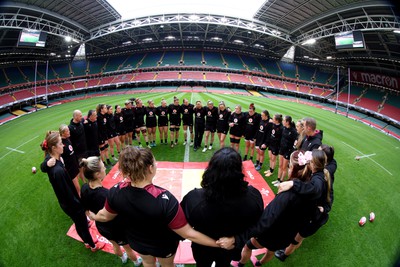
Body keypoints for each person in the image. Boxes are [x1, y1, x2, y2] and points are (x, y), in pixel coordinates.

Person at [88, 146, 221, 267]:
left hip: (137, 241)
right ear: (150, 168)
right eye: (154, 162)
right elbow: (188, 233)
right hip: (162, 245)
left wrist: (93, 216)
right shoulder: (165, 200)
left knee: (147, 262)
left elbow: (104, 216)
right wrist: (218, 244)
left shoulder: (115, 191)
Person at [217, 150, 313, 266]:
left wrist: (238, 238)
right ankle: (259, 264)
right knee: (271, 251)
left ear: (292, 167)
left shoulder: (287, 195)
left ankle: (241, 263)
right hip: (287, 235)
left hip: (272, 232)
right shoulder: (312, 190)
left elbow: (267, 219)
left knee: (248, 246)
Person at [181, 147, 264, 267]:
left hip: (204, 248)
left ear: (211, 169)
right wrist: (236, 239)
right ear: (239, 171)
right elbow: (259, 226)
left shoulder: (195, 199)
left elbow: (181, 227)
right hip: (229, 248)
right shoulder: (253, 197)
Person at [40, 131, 102, 252]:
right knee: (81, 224)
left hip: (67, 203)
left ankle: (86, 240)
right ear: (53, 148)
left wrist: (46, 165)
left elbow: (43, 166)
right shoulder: (57, 171)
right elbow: (68, 195)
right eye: (60, 143)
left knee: (80, 223)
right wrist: (82, 207)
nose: (63, 145)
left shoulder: (51, 159)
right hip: (71, 204)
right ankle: (91, 245)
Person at [80, 157, 143, 266]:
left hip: (102, 227)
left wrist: (92, 216)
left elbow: (85, 208)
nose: (105, 168)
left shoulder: (84, 188)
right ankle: (136, 262)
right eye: (103, 167)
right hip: (116, 227)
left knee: (115, 244)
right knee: (127, 248)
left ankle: (123, 258)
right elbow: (114, 214)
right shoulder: (106, 194)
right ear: (97, 174)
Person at [274, 149, 331, 262]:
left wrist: (293, 183)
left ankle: (284, 255)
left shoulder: (318, 180)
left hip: (314, 220)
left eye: (309, 161)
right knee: (296, 236)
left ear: (314, 164)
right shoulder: (321, 174)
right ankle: (286, 249)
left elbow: (314, 189)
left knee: (297, 239)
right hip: (313, 215)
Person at [59, 124, 81, 195]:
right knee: (77, 189)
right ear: (63, 133)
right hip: (70, 170)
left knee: (76, 187)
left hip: (74, 166)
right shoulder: (61, 144)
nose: (69, 132)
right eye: (67, 131)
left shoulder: (67, 139)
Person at [277, 116, 298, 182]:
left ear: (287, 122)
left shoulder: (293, 131)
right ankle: (278, 179)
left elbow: (295, 143)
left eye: (284, 120)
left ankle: (281, 181)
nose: (282, 121)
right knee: (280, 165)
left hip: (287, 151)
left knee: (284, 167)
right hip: (282, 149)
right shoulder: (284, 128)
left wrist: (291, 151)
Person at [264, 114, 283, 178]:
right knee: (270, 157)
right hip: (271, 144)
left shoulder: (281, 128)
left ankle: (271, 171)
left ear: (277, 120)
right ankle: (270, 169)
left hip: (276, 146)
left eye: (274, 119)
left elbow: (280, 138)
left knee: (273, 159)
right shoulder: (273, 124)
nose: (272, 120)